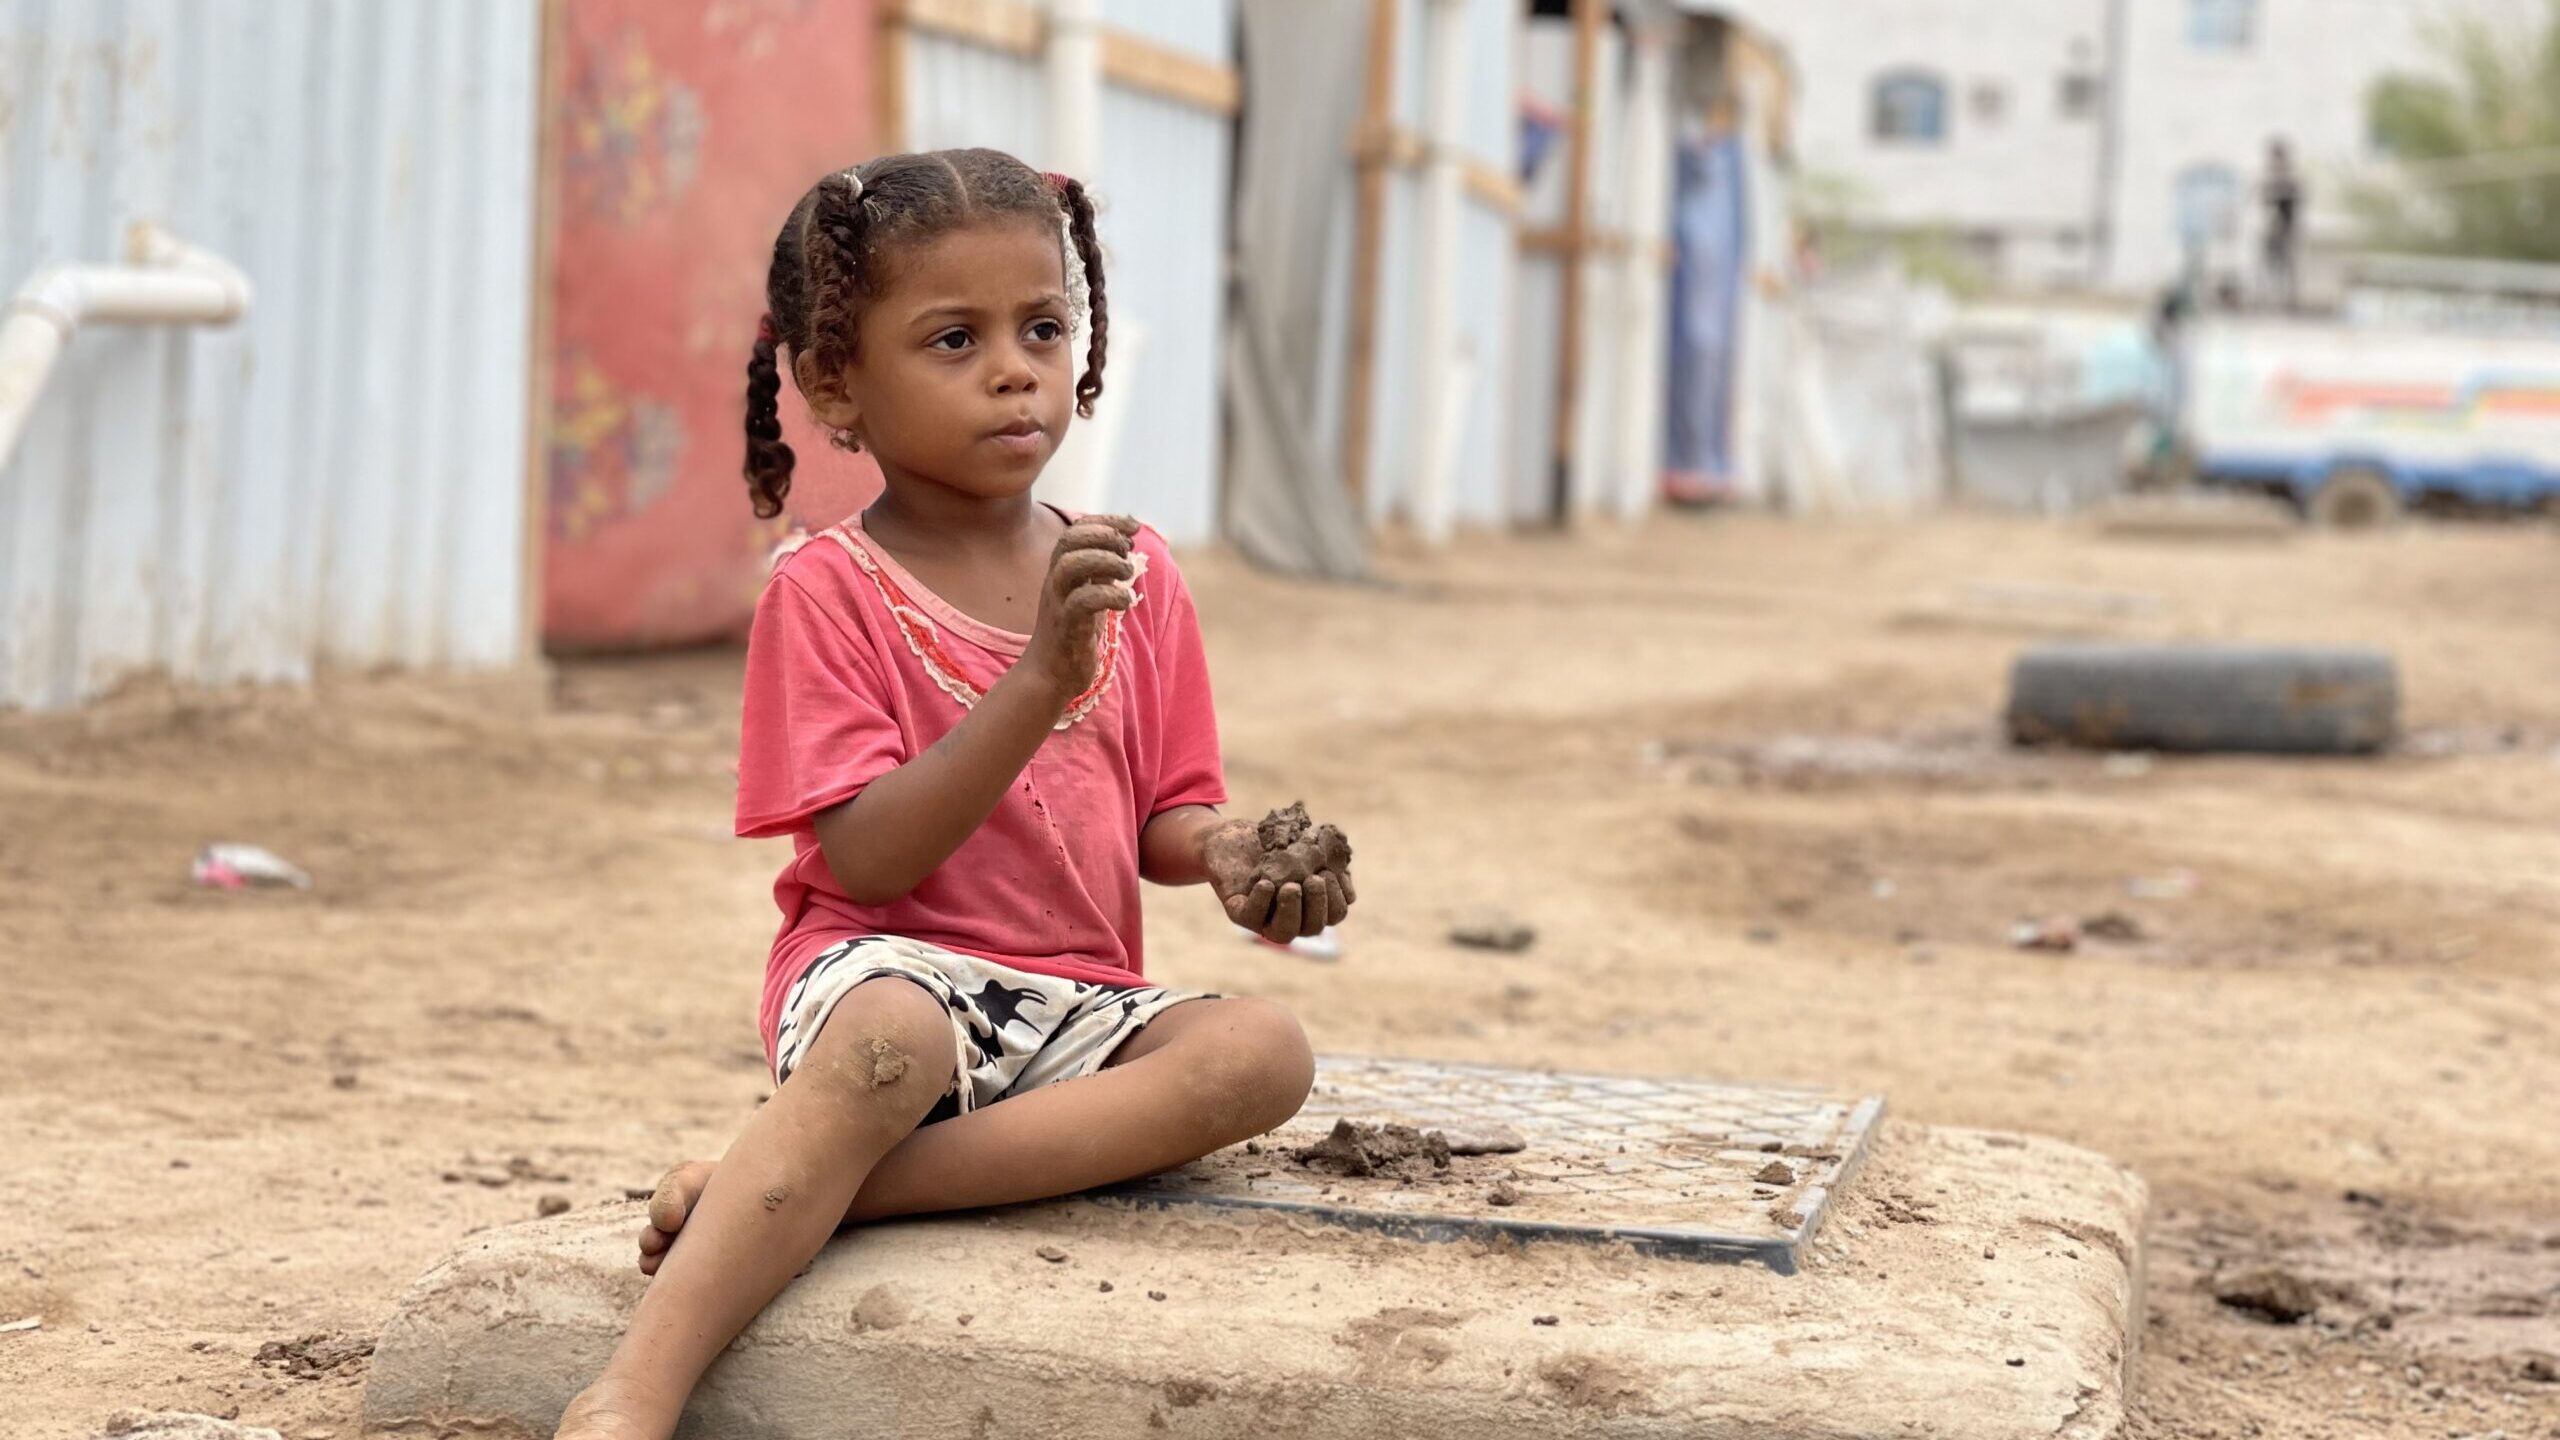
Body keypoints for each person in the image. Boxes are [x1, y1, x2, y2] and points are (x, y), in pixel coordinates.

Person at [555, 148, 1353, 1440]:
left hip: (1077, 1003)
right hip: (891, 974)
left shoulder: (1129, 570)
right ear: (836, 386)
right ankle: (631, 1396)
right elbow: (865, 859)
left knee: (1263, 1051)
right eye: (952, 338)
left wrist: (1238, 852)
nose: (1013, 369)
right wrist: (1040, 675)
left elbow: (1165, 814)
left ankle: (809, 1183)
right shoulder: (828, 591)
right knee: (893, 1042)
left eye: (1043, 328)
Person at [2260, 139, 2302, 311]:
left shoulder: (2288, 178)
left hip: (2286, 227)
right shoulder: (2272, 177)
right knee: (2271, 261)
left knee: (2286, 263)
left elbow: (2293, 201)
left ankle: (2288, 299)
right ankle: (2272, 297)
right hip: (2274, 226)